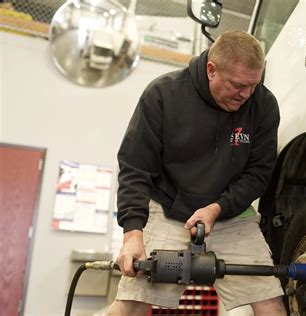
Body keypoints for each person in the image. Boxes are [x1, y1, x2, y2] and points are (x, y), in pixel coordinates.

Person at [108, 30, 285, 315]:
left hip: (231, 213)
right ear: (211, 70)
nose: (247, 94)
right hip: (169, 210)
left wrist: (218, 208)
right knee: (131, 303)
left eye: (254, 84)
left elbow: (259, 174)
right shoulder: (163, 94)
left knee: (270, 301)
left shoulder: (263, 105)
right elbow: (135, 168)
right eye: (239, 85)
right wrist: (132, 235)